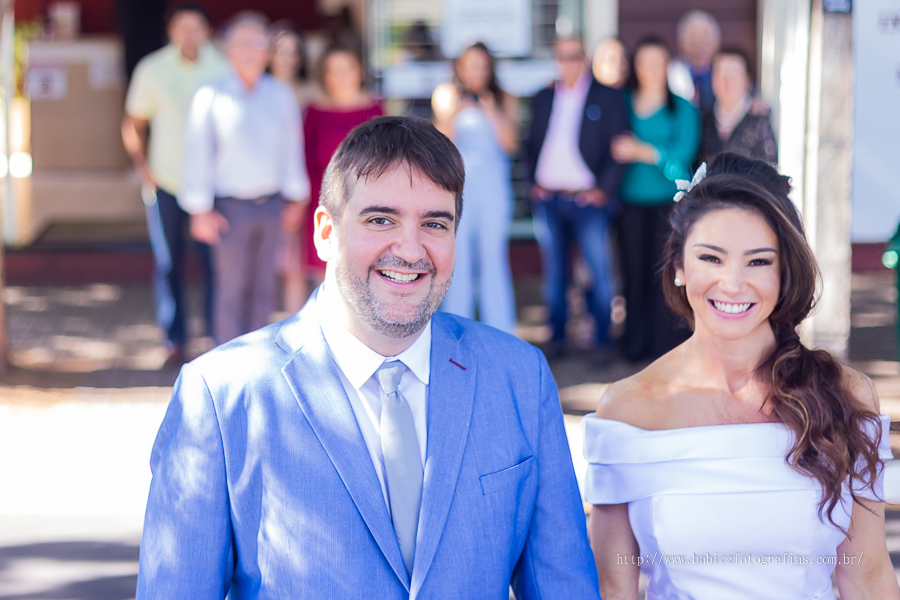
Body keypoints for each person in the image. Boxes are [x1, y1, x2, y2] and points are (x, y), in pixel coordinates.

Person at [135, 116, 600, 598]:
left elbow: (563, 584)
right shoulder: (220, 395)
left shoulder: (519, 377)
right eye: (381, 219)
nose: (410, 249)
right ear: (324, 232)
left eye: (434, 224)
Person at [585, 153, 899, 600]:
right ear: (679, 266)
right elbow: (611, 586)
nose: (732, 283)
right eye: (711, 257)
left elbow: (867, 576)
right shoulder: (628, 410)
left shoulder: (845, 394)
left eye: (757, 262)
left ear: (784, 271)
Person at [180, 11, 310, 344]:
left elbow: (291, 150)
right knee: (230, 289)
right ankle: (226, 369)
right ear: (228, 49)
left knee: (264, 289)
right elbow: (197, 155)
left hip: (271, 205)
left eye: (258, 42)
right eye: (243, 42)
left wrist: (297, 198)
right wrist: (199, 209)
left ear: (268, 51)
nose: (251, 49)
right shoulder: (210, 94)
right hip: (228, 208)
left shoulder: (280, 94)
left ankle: (259, 364)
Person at [122, 2, 229, 367]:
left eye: (196, 27)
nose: (189, 34)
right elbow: (133, 123)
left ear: (207, 31)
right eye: (182, 27)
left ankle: (218, 335)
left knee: (214, 263)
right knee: (169, 263)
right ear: (170, 31)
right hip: (164, 181)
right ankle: (174, 339)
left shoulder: (224, 67)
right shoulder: (152, 69)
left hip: (214, 186)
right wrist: (143, 169)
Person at [524, 36, 629, 362]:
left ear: (584, 58)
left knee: (599, 274)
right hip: (549, 199)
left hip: (588, 202)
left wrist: (604, 191)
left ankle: (601, 343)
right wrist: (532, 182)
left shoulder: (607, 97)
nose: (568, 62)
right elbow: (529, 142)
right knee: (555, 275)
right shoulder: (542, 97)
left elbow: (619, 149)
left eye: (574, 56)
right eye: (561, 56)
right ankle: (556, 340)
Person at [612, 36, 700, 362]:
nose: (652, 69)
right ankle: (633, 346)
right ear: (635, 67)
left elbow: (682, 163)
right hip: (628, 203)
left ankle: (665, 349)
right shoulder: (620, 102)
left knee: (666, 278)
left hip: (669, 205)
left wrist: (643, 151)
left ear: (668, 66)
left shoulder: (684, 108)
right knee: (632, 275)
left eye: (659, 62)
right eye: (645, 62)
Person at [432, 42, 518, 334]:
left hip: (493, 186)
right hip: (457, 186)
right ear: (459, 67)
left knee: (493, 257)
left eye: (482, 65)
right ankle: (457, 329)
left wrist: (490, 110)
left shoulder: (504, 96)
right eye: (470, 64)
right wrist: (457, 109)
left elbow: (510, 144)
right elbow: (441, 139)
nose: (476, 71)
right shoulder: (446, 95)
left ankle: (501, 330)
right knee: (456, 257)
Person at [302, 44, 383, 282]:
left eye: (347, 69)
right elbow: (305, 157)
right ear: (324, 75)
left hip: (366, 203)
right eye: (333, 70)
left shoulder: (374, 108)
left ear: (359, 71)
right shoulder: (314, 111)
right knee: (324, 271)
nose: (341, 76)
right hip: (322, 202)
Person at [268, 21, 319, 314]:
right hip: (268, 187)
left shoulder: (310, 92)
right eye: (280, 51)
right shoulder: (257, 91)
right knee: (280, 263)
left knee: (302, 261)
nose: (287, 58)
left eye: (293, 52)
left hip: (307, 182)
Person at [698, 48, 777, 166]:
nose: (727, 81)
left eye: (734, 74)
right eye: (721, 74)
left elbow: (770, 171)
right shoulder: (704, 117)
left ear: (746, 80)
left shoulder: (759, 119)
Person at [668, 10, 721, 113]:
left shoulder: (726, 74)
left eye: (705, 40)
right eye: (693, 40)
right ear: (681, 44)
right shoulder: (670, 73)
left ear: (716, 43)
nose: (700, 46)